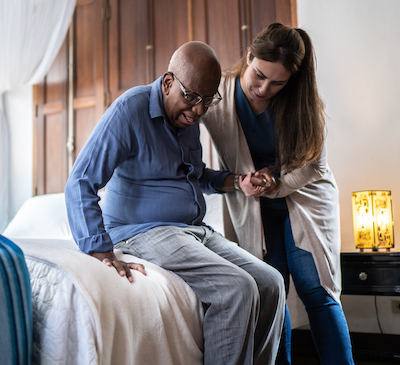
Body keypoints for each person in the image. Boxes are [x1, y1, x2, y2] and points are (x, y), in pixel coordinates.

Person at [65, 41, 285, 365]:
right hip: (142, 231)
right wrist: (101, 251)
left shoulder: (187, 121)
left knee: (270, 283)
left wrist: (237, 181)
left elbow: (195, 176)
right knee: (236, 290)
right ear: (168, 82)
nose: (198, 110)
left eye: (207, 100)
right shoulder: (130, 111)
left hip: (193, 229)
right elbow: (80, 182)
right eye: (192, 97)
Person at [201, 23, 354, 364]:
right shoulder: (218, 96)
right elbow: (190, 153)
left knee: (316, 289)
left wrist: (275, 180)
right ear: (249, 56)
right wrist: (236, 181)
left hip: (305, 198)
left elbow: (313, 166)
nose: (264, 88)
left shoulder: (302, 103)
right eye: (259, 76)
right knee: (272, 290)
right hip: (254, 204)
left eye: (278, 83)